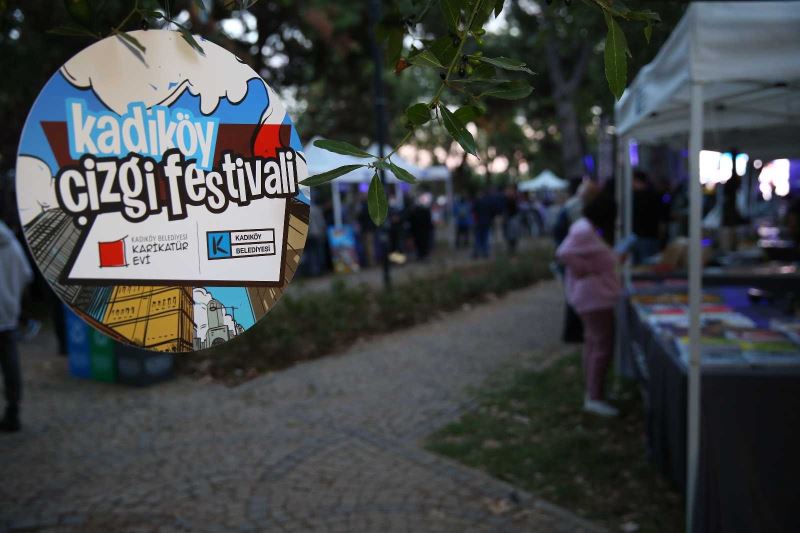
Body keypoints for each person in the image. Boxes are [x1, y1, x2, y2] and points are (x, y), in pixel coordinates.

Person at [556, 193, 622, 417]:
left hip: (594, 296)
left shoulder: (585, 228)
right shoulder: (584, 230)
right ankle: (594, 396)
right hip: (595, 298)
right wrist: (585, 269)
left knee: (594, 344)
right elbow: (564, 253)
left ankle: (594, 391)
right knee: (601, 346)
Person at [0, 219, 33, 432]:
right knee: (10, 365)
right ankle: (13, 411)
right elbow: (26, 274)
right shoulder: (11, 244)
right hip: (8, 315)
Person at [472, 189, 494, 259]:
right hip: (486, 222)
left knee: (478, 238)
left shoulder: (477, 201)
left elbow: (473, 211)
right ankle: (485, 253)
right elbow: (492, 212)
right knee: (485, 238)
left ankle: (476, 253)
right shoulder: (488, 202)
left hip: (479, 222)